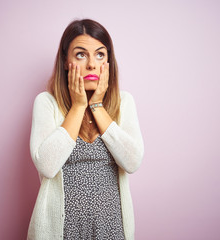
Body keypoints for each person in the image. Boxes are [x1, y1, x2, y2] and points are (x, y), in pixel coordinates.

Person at [27, 18, 144, 240]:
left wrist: (97, 106)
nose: (91, 64)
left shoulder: (124, 102)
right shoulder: (46, 103)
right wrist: (79, 105)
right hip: (60, 232)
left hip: (111, 230)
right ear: (65, 60)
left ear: (109, 61)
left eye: (100, 54)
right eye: (81, 54)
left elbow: (132, 161)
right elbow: (47, 166)